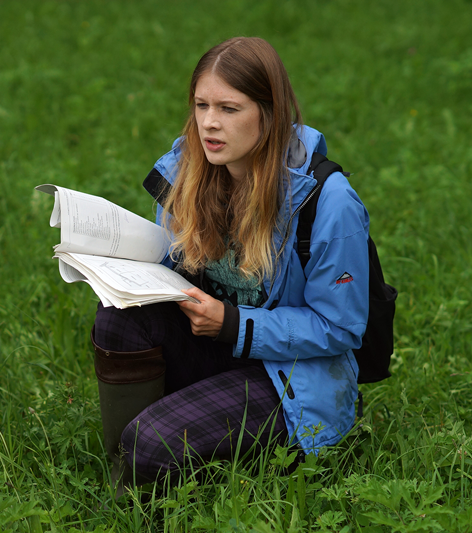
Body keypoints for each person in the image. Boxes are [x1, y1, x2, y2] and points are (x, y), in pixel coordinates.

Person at [94, 37, 369, 485]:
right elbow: (166, 269)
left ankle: (145, 458)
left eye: (229, 109)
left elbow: (340, 327)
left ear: (270, 112)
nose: (209, 124)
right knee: (117, 314)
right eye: (201, 105)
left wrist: (234, 324)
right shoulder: (185, 173)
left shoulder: (329, 202)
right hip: (214, 343)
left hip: (290, 378)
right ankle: (129, 466)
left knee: (153, 444)